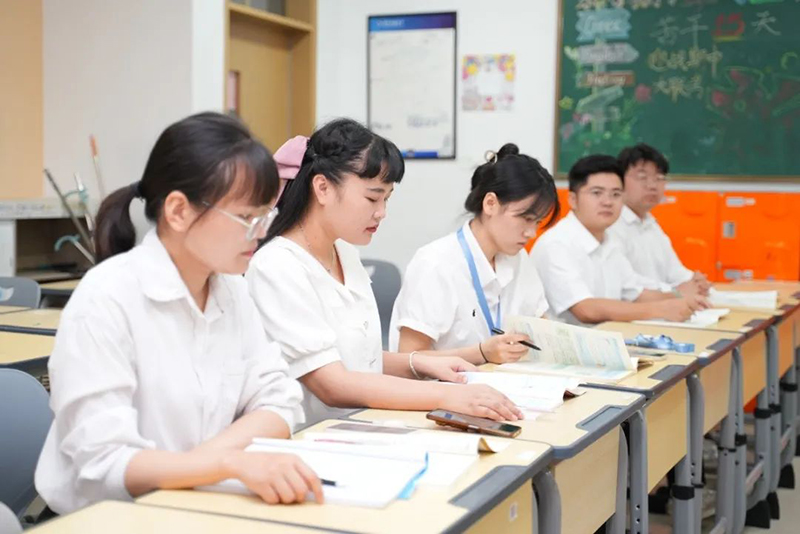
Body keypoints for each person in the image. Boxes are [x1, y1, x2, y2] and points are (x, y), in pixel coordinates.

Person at [36, 112, 321, 515]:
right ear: (178, 211)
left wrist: (206, 464)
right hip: (108, 517)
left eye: (264, 217)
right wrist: (223, 464)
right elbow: (104, 463)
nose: (260, 233)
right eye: (245, 218)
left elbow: (280, 401)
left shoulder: (232, 289)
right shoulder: (107, 298)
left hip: (197, 503)